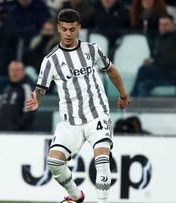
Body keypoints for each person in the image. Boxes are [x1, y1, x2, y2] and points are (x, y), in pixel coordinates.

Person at [26, 9, 130, 203]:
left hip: (97, 114)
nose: (67, 33)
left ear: (79, 29)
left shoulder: (92, 50)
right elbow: (41, 88)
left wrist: (123, 95)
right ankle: (75, 197)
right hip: (71, 122)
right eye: (64, 29)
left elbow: (111, 70)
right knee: (54, 162)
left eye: (72, 29)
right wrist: (36, 101)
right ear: (58, 28)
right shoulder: (50, 60)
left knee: (102, 158)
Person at [131, 14, 176, 97]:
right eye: (161, 24)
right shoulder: (159, 39)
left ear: (172, 26)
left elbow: (172, 61)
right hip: (161, 72)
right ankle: (136, 102)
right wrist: (152, 60)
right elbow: (158, 57)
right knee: (143, 84)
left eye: (166, 25)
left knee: (143, 70)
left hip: (173, 74)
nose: (162, 27)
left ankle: (131, 97)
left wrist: (154, 62)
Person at [0, 61, 35, 131]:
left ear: (23, 72)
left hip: (18, 135)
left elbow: (29, 113)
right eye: (12, 70)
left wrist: (15, 128)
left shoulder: (27, 88)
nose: (14, 73)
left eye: (17, 70)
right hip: (1, 133)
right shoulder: (7, 89)